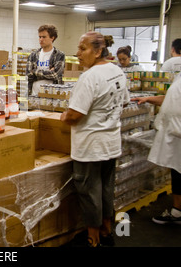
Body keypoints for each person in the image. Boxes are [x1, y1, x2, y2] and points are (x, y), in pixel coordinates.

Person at [61, 31, 130, 247]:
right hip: (110, 144)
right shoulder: (116, 71)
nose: (78, 53)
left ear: (98, 50)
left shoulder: (89, 77)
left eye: (83, 49)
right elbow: (125, 102)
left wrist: (64, 115)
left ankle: (93, 239)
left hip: (90, 147)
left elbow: (74, 115)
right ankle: (107, 231)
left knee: (89, 193)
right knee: (105, 190)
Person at [132, 33, 181, 226]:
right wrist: (148, 99)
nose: (180, 54)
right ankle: (177, 213)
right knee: (180, 173)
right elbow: (171, 97)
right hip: (179, 135)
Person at [26, 24, 65, 96]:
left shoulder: (59, 55)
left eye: (44, 37)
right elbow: (29, 75)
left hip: (52, 96)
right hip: (34, 95)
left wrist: (35, 71)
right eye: (39, 37)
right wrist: (48, 72)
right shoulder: (33, 55)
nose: (41, 39)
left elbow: (55, 75)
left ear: (52, 38)